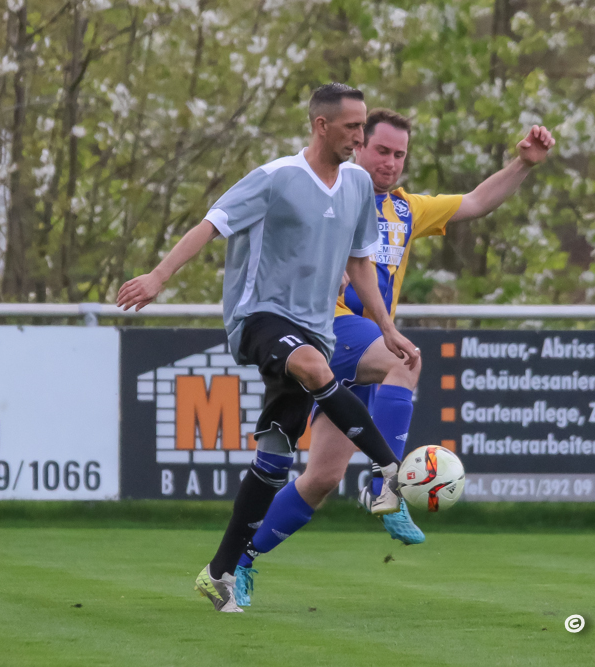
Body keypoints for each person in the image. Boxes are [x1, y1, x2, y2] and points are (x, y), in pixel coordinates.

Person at [232, 108, 555, 606]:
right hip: (330, 331)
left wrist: (524, 165)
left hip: (360, 353)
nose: (390, 162)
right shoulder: (332, 196)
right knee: (405, 360)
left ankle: (238, 563)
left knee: (319, 480)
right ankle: (391, 484)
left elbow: (474, 202)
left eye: (399, 154)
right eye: (381, 150)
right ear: (357, 147)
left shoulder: (406, 209)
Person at [117, 85, 420, 613]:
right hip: (258, 318)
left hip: (316, 327)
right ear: (321, 126)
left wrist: (387, 327)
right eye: (351, 126)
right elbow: (210, 225)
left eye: (362, 124)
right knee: (311, 365)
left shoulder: (354, 184)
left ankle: (220, 572)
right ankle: (387, 471)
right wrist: (159, 275)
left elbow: (358, 263)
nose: (359, 135)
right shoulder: (276, 177)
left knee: (275, 459)